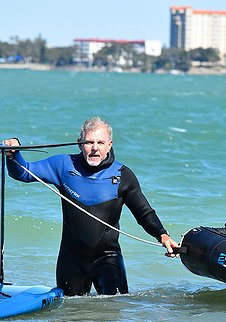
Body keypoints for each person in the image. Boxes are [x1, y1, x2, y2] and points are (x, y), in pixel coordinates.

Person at [3, 117, 179, 296]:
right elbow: (22, 173)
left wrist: (162, 235)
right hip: (71, 260)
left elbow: (144, 213)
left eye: (100, 142)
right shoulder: (63, 166)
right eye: (89, 142)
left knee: (116, 307)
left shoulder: (123, 176)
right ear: (80, 144)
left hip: (108, 257)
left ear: (109, 145)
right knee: (71, 311)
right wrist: (13, 153)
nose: (95, 147)